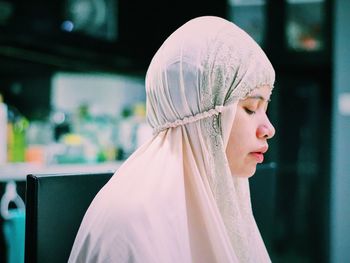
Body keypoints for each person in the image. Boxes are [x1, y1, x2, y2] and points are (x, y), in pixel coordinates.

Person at [69, 16, 276, 263]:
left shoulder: (223, 196)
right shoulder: (131, 222)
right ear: (203, 115)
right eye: (251, 108)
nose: (268, 128)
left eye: (265, 108)